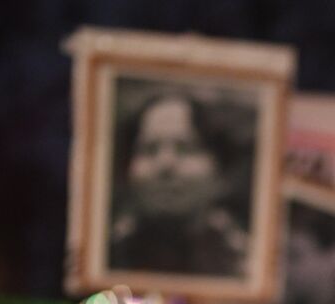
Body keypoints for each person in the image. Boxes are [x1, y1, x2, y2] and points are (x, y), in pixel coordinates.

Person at [108, 90, 253, 277]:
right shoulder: (107, 252)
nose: (165, 165)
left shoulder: (247, 263)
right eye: (148, 149)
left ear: (221, 172)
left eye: (187, 148)